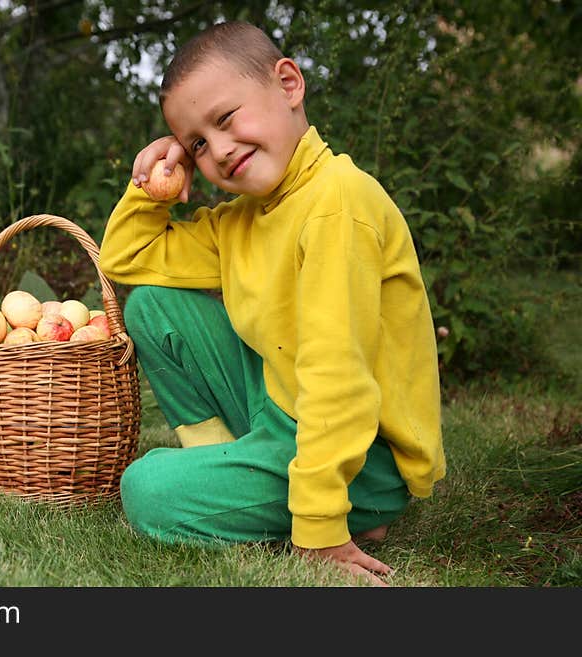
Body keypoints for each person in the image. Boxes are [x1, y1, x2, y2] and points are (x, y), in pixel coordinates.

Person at [98, 20, 446, 586]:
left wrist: (320, 530)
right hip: (280, 408)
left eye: (225, 118)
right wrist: (152, 184)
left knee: (145, 491)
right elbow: (130, 258)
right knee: (152, 307)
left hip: (365, 454)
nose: (219, 149)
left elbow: (339, 378)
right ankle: (233, 470)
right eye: (198, 144)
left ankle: (342, 504)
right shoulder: (241, 221)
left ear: (288, 84)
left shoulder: (338, 204)